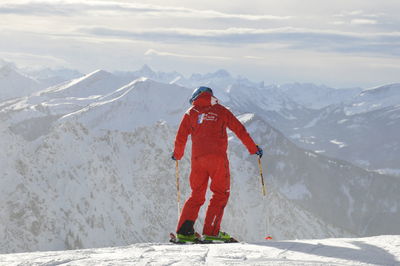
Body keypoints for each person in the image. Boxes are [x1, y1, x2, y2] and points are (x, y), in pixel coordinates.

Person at [171, 86, 263, 242]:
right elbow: (239, 130)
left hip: (198, 160)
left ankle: (184, 232)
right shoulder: (221, 110)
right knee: (220, 193)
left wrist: (177, 155)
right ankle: (211, 232)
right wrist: (253, 149)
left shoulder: (190, 113)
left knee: (196, 195)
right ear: (211, 96)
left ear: (195, 98)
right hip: (218, 160)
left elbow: (181, 137)